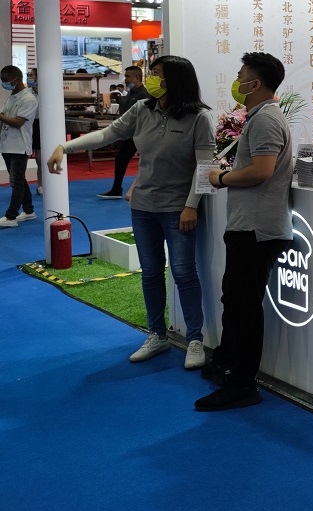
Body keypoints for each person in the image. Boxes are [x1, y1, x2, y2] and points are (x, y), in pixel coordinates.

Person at [48, 56, 214, 368]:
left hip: (177, 209)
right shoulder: (142, 109)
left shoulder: (199, 118)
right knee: (150, 272)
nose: (151, 78)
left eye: (157, 74)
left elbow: (205, 167)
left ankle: (195, 339)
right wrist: (64, 147)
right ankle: (157, 334)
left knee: (184, 274)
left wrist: (191, 205)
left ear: (175, 80)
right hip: (143, 207)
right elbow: (108, 134)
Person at [198, 51, 294, 411]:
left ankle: (241, 384)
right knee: (235, 302)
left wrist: (221, 178)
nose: (237, 83)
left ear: (255, 84)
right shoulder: (259, 117)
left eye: (241, 77)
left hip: (257, 229)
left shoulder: (266, 119)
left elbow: (261, 171)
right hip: (247, 225)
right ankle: (227, 363)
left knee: (244, 308)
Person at [99, 65, 149, 199]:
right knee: (121, 159)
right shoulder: (131, 93)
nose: (125, 79)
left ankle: (121, 189)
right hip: (130, 135)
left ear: (136, 78)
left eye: (127, 76)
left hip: (140, 135)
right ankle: (117, 189)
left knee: (146, 162)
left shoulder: (144, 95)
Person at [0, 66, 38, 227]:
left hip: (19, 146)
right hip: (7, 144)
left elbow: (18, 122)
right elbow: (4, 117)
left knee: (16, 182)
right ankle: (29, 211)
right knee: (19, 180)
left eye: (5, 80)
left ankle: (11, 216)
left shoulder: (29, 99)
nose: (3, 83)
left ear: (16, 79)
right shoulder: (12, 96)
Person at [28, 67, 42, 195]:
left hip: (39, 124)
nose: (29, 77)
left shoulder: (46, 92)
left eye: (31, 75)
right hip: (26, 124)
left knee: (40, 159)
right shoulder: (26, 92)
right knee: (23, 156)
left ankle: (41, 185)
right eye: (28, 75)